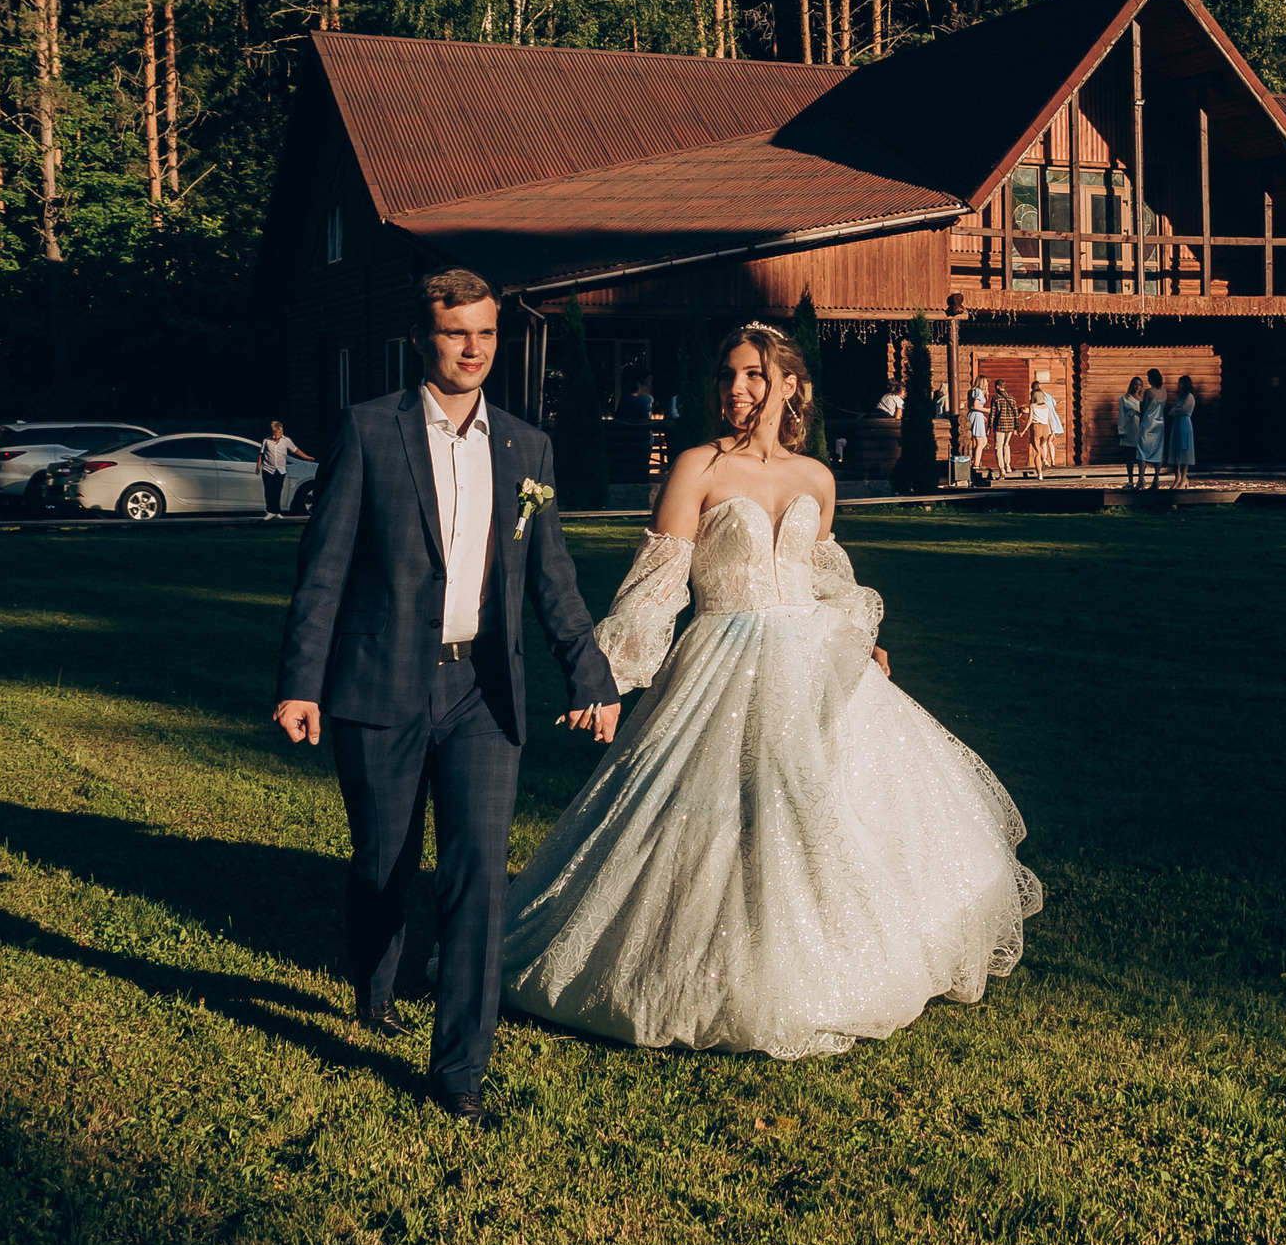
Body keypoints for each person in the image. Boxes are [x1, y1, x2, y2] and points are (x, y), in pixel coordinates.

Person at [499, 323, 1041, 1055]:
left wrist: (857, 633)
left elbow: (824, 578)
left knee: (825, 809)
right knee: (708, 814)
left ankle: (836, 957)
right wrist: (605, 677)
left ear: (790, 386)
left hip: (814, 656)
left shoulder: (816, 476)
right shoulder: (697, 468)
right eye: (727, 375)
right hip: (724, 655)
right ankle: (700, 959)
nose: (736, 389)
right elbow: (656, 589)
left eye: (753, 374)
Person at [272, 265, 619, 1127]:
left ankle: (459, 1069)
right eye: (456, 333)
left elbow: (553, 579)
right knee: (382, 866)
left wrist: (590, 673)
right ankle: (375, 981)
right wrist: (300, 684)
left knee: (476, 878)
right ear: (423, 340)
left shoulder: (525, 447)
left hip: (481, 691)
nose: (473, 349)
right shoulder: (369, 429)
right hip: (378, 682)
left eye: (486, 333)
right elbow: (323, 571)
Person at [258, 420, 304, 520]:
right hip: (267, 469)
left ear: (281, 432)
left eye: (276, 435)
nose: (274, 437)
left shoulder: (286, 441)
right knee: (269, 490)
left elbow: (295, 450)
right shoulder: (266, 441)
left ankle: (277, 511)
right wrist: (258, 466)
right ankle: (269, 511)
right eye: (273, 435)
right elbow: (262, 454)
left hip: (280, 470)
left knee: (277, 490)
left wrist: (306, 457)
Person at [1137, 366, 1167, 491]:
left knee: (1142, 450)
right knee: (1158, 450)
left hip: (1148, 422)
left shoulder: (1149, 392)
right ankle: (1156, 478)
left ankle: (1141, 479)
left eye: (1148, 377)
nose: (1148, 379)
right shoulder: (1164, 391)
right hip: (1159, 423)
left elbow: (1143, 409)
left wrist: (1140, 403)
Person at [1168, 376, 1197, 488]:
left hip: (1184, 423)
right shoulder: (1180, 396)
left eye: (1180, 383)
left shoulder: (1189, 397)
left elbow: (1181, 409)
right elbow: (1176, 408)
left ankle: (1184, 477)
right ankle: (1177, 477)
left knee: (1184, 450)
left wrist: (1172, 411)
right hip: (1177, 423)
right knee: (1176, 449)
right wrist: (1173, 411)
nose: (1178, 385)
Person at [1116, 376, 1144, 489]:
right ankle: (1130, 480)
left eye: (1139, 385)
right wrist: (1121, 429)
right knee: (1129, 456)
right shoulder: (1124, 398)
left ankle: (1141, 479)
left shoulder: (1143, 399)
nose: (1137, 387)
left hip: (1140, 428)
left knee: (1140, 456)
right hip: (1129, 428)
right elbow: (1121, 415)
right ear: (1132, 385)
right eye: (1135, 384)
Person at [991, 382, 1019, 476]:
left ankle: (1002, 468)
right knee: (1006, 445)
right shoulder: (1012, 398)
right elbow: (1016, 414)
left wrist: (989, 427)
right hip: (1010, 426)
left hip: (1000, 425)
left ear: (998, 387)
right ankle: (1008, 465)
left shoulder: (996, 398)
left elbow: (993, 414)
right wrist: (1016, 427)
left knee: (998, 447)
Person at [967, 380, 990, 476]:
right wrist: (987, 410)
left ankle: (974, 460)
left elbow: (972, 406)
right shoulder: (979, 391)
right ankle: (976, 464)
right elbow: (976, 406)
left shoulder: (973, 391)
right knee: (981, 441)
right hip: (977, 416)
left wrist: (982, 414)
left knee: (983, 442)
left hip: (977, 415)